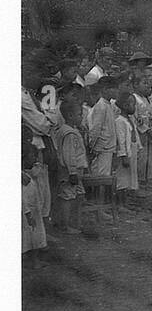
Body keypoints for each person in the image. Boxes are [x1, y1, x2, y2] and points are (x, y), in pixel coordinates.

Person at [52, 99, 88, 234]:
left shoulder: (71, 130)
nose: (82, 117)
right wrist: (72, 172)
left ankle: (75, 222)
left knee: (79, 195)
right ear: (70, 116)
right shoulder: (69, 133)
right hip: (70, 171)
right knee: (67, 195)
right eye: (79, 115)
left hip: (76, 170)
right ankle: (65, 225)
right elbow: (69, 155)